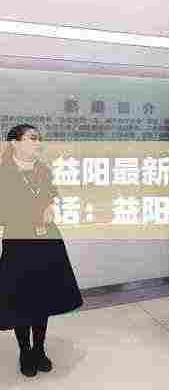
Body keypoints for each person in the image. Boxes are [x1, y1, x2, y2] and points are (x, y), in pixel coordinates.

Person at [0, 124, 83, 377]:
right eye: (32, 138)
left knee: (42, 297)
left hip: (47, 240)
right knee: (21, 299)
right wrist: (32, 216)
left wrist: (49, 208)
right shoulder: (3, 171)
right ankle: (25, 351)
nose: (37, 143)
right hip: (19, 242)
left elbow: (51, 196)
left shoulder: (42, 169)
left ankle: (39, 349)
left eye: (39, 139)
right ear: (15, 142)